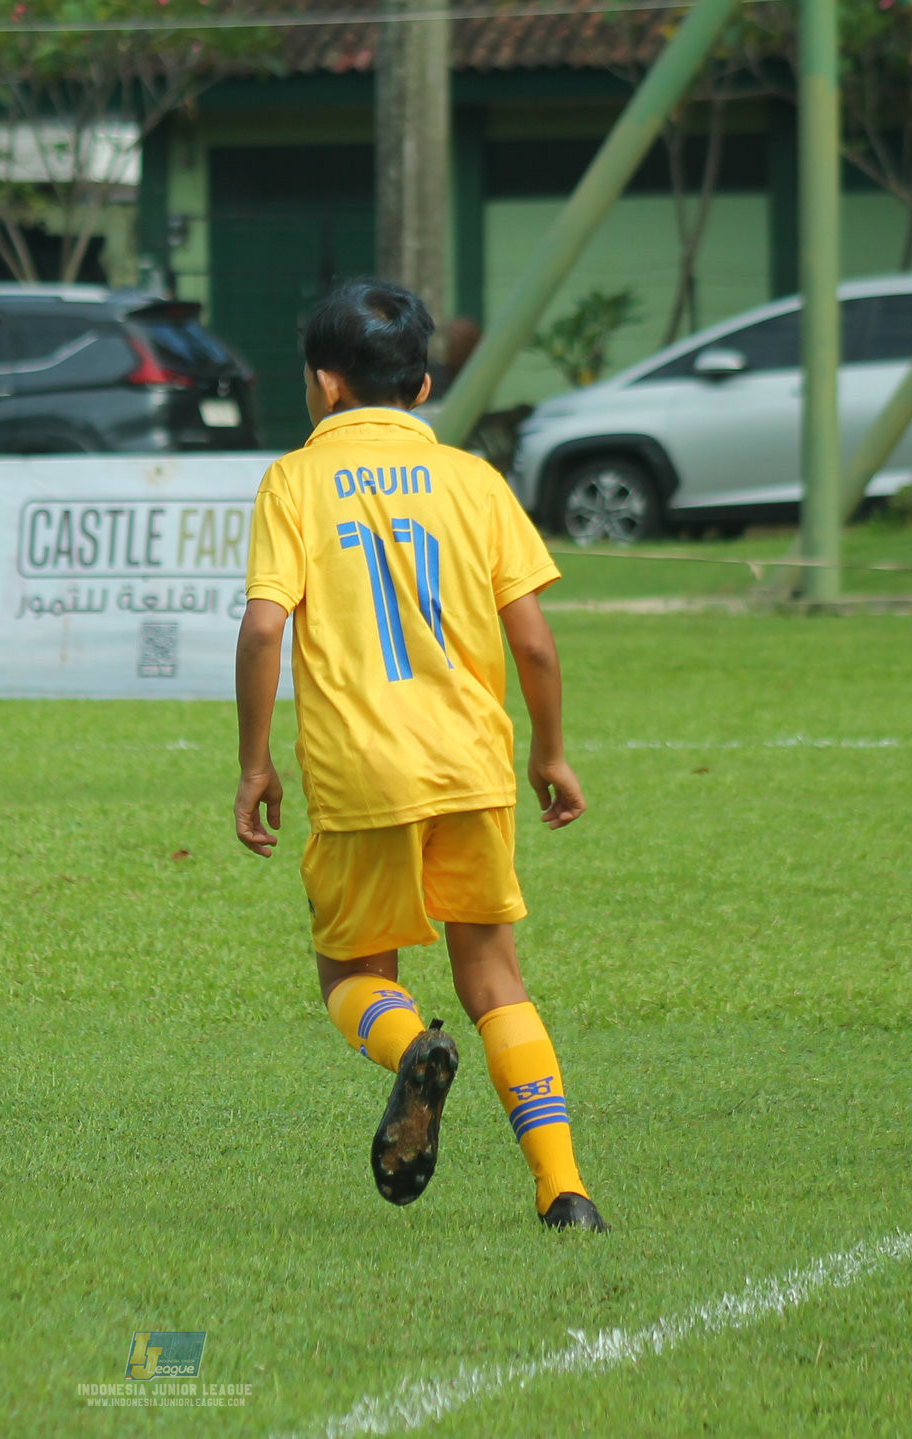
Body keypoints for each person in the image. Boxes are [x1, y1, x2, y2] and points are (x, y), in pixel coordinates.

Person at [232, 278, 607, 1230]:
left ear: (323, 385)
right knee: (495, 978)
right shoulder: (476, 481)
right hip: (472, 766)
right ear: (425, 386)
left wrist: (254, 764)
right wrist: (552, 751)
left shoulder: (293, 481)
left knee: (354, 976)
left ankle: (407, 1049)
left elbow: (264, 627)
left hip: (363, 772)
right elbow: (533, 641)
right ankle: (563, 1188)